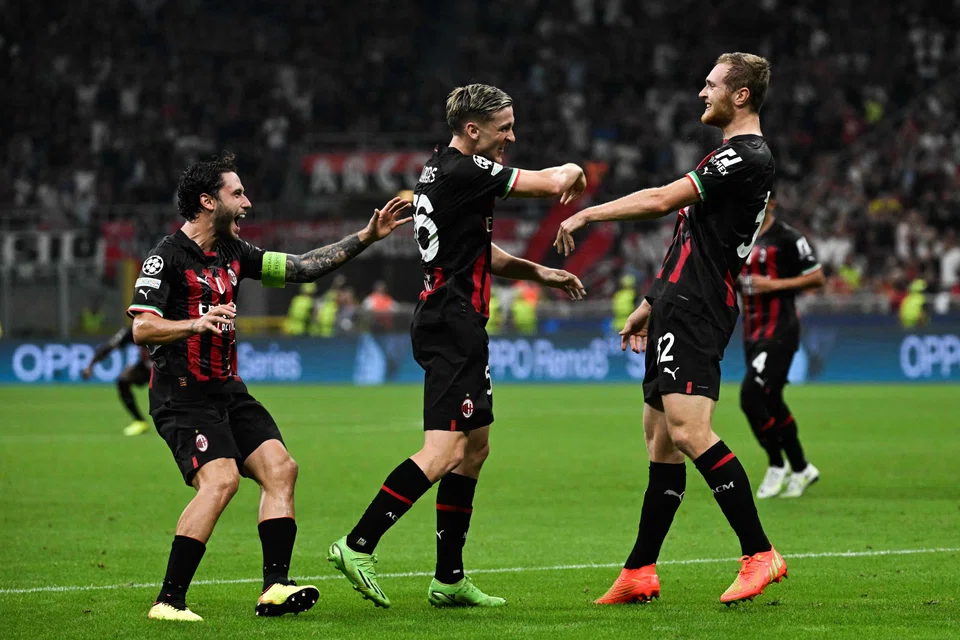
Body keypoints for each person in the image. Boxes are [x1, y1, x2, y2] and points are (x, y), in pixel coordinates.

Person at [328, 83, 587, 609]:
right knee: (443, 450)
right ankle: (358, 544)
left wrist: (541, 272)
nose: (511, 136)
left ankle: (448, 578)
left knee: (475, 448)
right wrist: (573, 171)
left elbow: (477, 248)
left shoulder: (441, 170)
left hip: (458, 319)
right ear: (473, 130)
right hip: (452, 323)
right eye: (504, 128)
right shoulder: (466, 170)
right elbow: (552, 181)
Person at [127, 152, 411, 622]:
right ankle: (168, 601)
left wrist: (367, 237)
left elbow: (301, 267)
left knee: (281, 468)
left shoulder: (235, 253)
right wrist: (195, 324)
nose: (248, 203)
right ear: (206, 201)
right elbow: (142, 329)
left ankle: (275, 587)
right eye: (237, 194)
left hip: (227, 389)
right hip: (182, 393)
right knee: (221, 482)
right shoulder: (166, 257)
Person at [556, 53, 786, 605]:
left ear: (742, 95)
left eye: (711, 84)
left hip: (702, 306)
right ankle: (641, 570)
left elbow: (661, 201)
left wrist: (588, 214)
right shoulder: (726, 156)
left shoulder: (747, 156)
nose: (700, 93)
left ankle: (759, 553)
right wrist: (651, 301)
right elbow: (688, 239)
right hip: (677, 304)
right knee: (661, 443)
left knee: (688, 431)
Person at [738, 190, 825, 499]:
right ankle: (802, 468)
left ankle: (777, 464)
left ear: (771, 204)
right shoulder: (738, 236)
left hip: (780, 330)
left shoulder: (788, 237)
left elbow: (816, 278)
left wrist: (774, 285)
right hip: (750, 331)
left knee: (750, 397)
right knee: (771, 400)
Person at [81, 325, 153, 436]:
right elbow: (109, 346)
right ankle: (140, 422)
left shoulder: (164, 322)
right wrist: (91, 365)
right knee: (124, 380)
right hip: (148, 366)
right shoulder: (134, 329)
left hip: (170, 366)